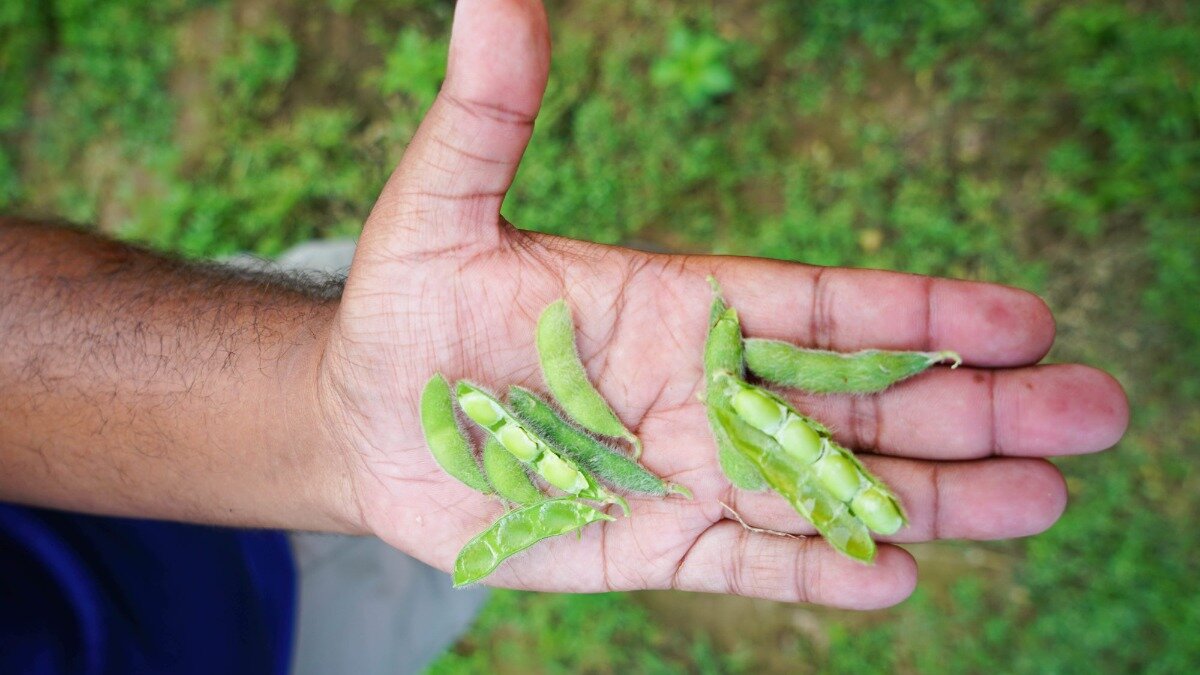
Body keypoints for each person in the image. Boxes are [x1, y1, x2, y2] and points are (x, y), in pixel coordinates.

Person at [0, 0, 1129, 672]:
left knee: (416, 458)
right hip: (277, 655)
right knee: (447, 558)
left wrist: (322, 409)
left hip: (174, 481)